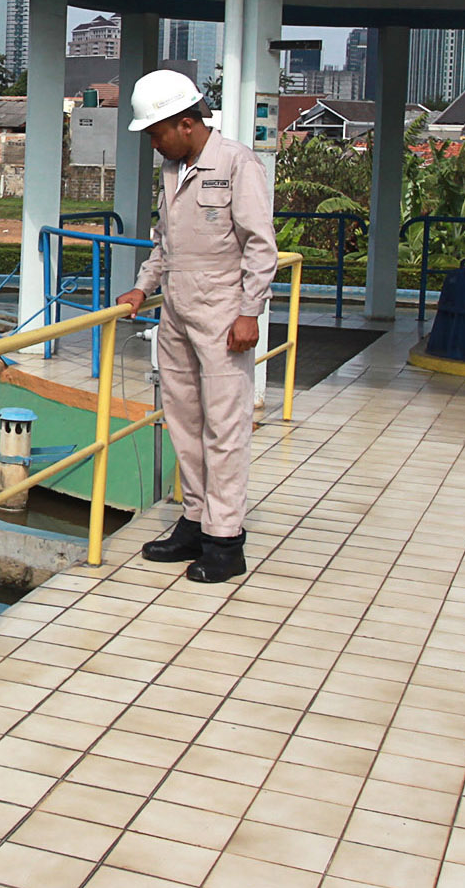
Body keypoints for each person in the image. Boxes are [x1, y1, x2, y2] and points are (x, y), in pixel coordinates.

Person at [109, 69, 277, 584]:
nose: (154, 144)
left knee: (225, 427)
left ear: (185, 123)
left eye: (157, 133)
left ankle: (226, 541)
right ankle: (197, 519)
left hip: (224, 315)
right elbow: (164, 243)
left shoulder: (236, 164)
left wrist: (250, 311)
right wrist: (142, 287)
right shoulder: (171, 170)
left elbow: (259, 245)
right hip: (177, 312)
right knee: (182, 419)